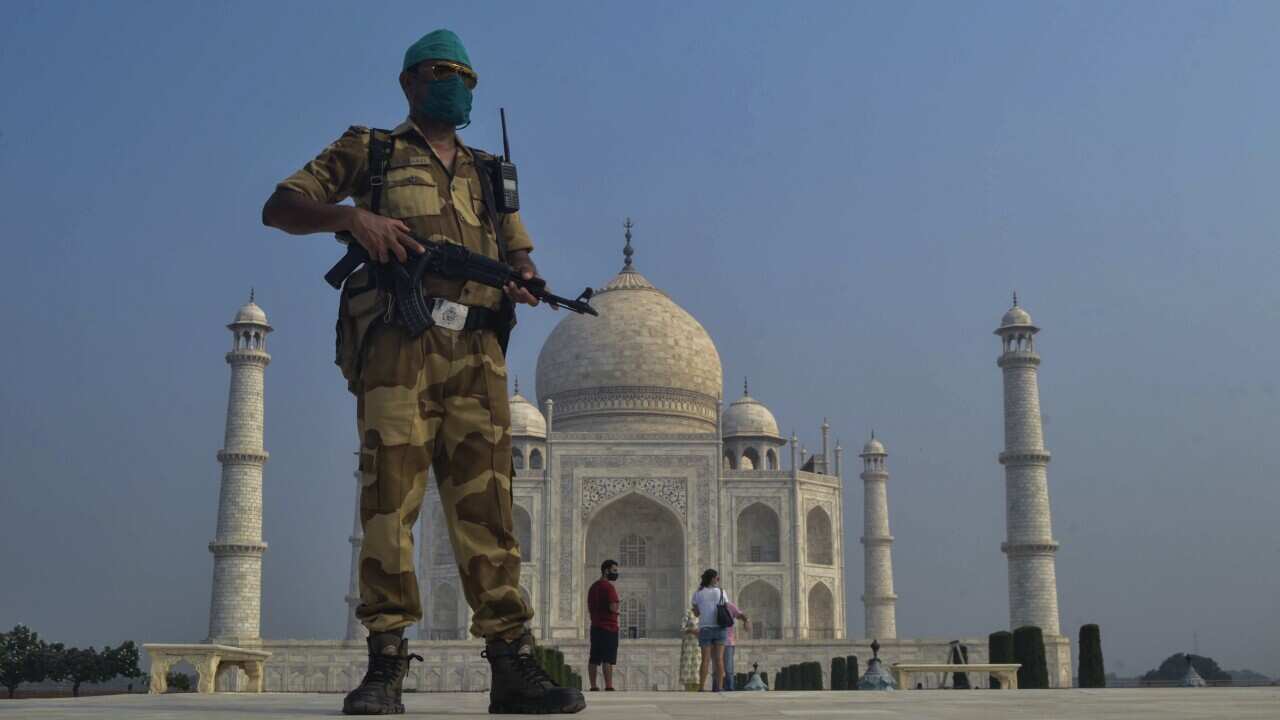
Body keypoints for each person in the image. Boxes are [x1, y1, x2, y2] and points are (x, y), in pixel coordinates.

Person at [261, 28, 584, 716]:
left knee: (489, 512)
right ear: (409, 83)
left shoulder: (491, 172)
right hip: (399, 350)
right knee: (390, 506)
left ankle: (512, 665)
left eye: (466, 76)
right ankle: (384, 665)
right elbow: (280, 207)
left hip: (476, 357)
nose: (456, 86)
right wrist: (354, 220)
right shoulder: (371, 150)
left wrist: (525, 277)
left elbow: (519, 252)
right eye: (442, 74)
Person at [690, 568, 729, 691]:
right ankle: (720, 687)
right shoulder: (721, 592)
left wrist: (700, 609)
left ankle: (701, 687)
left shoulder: (698, 593)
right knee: (719, 659)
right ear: (712, 579)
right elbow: (726, 607)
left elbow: (696, 613)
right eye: (717, 578)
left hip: (705, 628)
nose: (718, 580)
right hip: (719, 627)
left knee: (705, 659)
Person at [586, 560, 621, 691]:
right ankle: (609, 685)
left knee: (594, 658)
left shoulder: (593, 587)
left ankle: (593, 686)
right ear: (606, 570)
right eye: (614, 570)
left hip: (595, 627)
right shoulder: (609, 587)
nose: (616, 573)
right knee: (608, 659)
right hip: (609, 627)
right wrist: (617, 607)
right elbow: (613, 607)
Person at [720, 600, 750, 691]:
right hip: (717, 640)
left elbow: (740, 615)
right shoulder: (711, 606)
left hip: (727, 641)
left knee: (728, 668)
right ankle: (718, 686)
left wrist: (747, 621)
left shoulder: (729, 606)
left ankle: (729, 687)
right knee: (718, 667)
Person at [678, 608, 700, 691]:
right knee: (687, 665)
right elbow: (682, 627)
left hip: (699, 645)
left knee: (698, 666)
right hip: (688, 645)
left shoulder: (705, 614)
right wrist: (692, 630)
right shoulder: (688, 613)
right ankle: (688, 688)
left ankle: (697, 688)